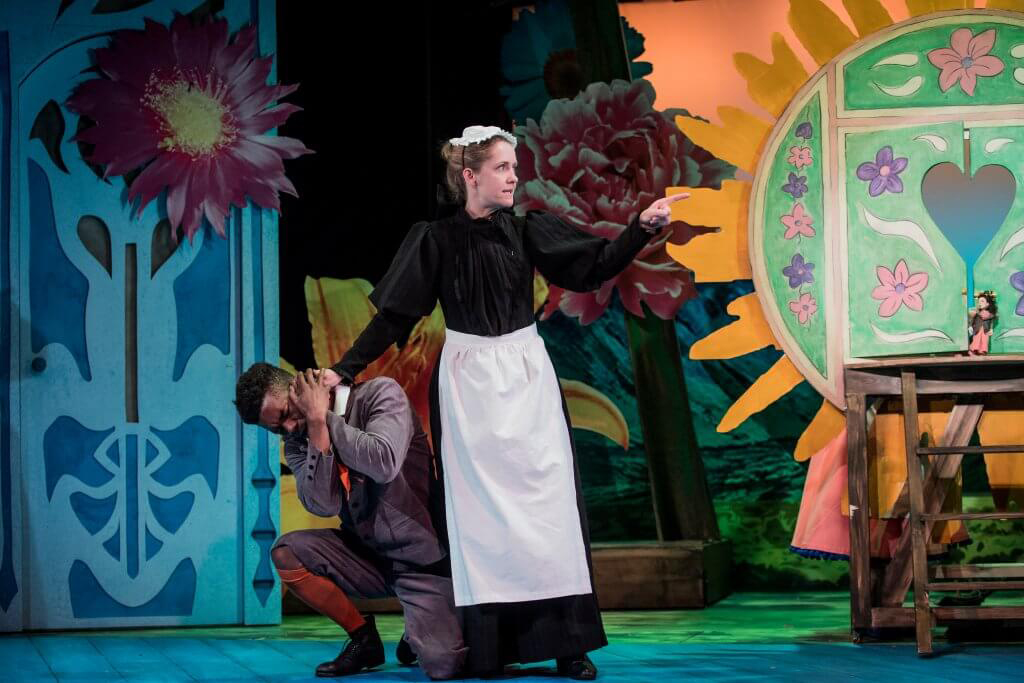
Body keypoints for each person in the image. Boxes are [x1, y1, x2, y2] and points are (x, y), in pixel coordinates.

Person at [321, 125, 687, 679]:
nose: (514, 177)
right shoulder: (435, 239)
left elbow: (592, 266)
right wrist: (345, 368)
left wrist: (641, 227)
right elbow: (395, 317)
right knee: (479, 517)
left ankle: (568, 643)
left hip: (525, 376)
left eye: (515, 167)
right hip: (467, 384)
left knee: (548, 507)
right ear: (471, 176)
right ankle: (484, 644)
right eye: (503, 167)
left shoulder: (527, 230)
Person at [234, 362, 467, 679]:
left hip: (418, 562)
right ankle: (363, 638)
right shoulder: (298, 441)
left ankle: (418, 628)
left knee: (443, 665)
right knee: (287, 553)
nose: (288, 428)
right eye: (277, 428)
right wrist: (317, 428)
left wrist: (323, 417)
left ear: (302, 388)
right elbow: (323, 504)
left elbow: (383, 463)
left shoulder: (380, 394)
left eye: (287, 413)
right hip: (367, 556)